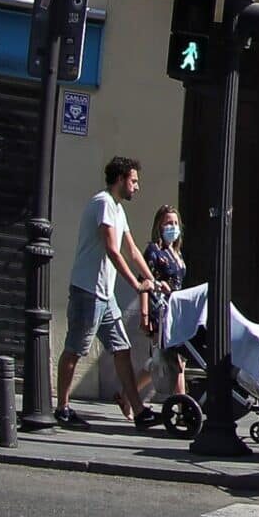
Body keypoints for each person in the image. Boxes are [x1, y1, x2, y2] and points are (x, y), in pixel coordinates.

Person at [55, 156, 164, 429]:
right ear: (120, 179)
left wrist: (153, 280)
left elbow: (132, 250)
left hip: (105, 296)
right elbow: (112, 249)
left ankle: (138, 411)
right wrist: (136, 285)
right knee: (76, 349)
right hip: (88, 292)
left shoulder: (117, 209)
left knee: (122, 348)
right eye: (134, 181)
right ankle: (62, 407)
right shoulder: (103, 203)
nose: (137, 187)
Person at [141, 205, 189, 398]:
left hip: (175, 311)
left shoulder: (176, 253)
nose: (173, 227)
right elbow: (143, 282)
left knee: (163, 359)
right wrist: (144, 315)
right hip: (159, 310)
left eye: (176, 223)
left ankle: (127, 397)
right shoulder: (154, 251)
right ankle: (181, 404)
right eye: (169, 223)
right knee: (175, 359)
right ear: (159, 226)